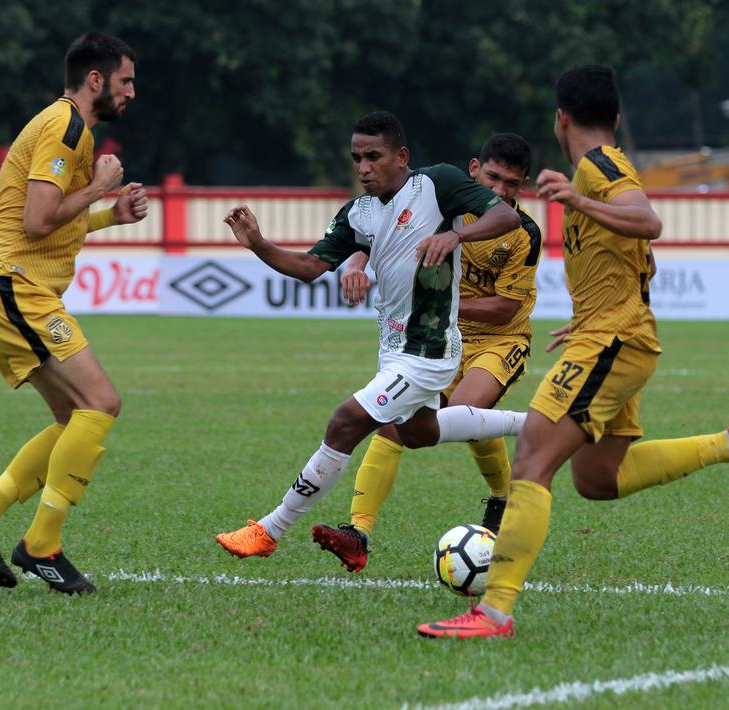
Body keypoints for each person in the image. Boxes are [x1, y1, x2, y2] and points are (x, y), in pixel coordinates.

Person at [417, 65, 729, 639]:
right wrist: (593, 312)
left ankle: (493, 613)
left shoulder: (599, 166)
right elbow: (643, 257)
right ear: (616, 117)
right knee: (597, 477)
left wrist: (578, 204)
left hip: (613, 339)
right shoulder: (592, 171)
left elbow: (648, 222)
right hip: (611, 333)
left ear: (560, 118)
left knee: (532, 458)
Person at [214, 111, 526, 560]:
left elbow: (504, 217)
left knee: (346, 421)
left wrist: (458, 237)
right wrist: (260, 245)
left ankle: (269, 530)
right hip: (394, 349)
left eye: (373, 157)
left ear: (401, 157)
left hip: (429, 349)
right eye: (356, 158)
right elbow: (309, 268)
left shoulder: (437, 184)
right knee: (420, 432)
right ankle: (535, 425)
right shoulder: (357, 213)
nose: (363, 167)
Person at [0, 32, 146, 594]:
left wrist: (111, 216)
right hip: (9, 280)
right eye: (126, 80)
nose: (132, 92)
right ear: (96, 80)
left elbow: (51, 218)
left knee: (74, 417)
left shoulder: (68, 128)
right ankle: (41, 544)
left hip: (5, 281)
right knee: (101, 403)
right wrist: (102, 187)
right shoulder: (66, 126)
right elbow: (36, 221)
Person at [311, 132, 543, 573]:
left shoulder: (521, 231)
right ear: (474, 170)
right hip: (436, 337)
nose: (499, 191)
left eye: (511, 184)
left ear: (523, 186)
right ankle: (358, 533)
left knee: (463, 411)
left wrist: (439, 297)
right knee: (393, 420)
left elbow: (506, 307)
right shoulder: (439, 201)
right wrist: (356, 266)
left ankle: (502, 495)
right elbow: (369, 233)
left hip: (499, 340)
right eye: (492, 178)